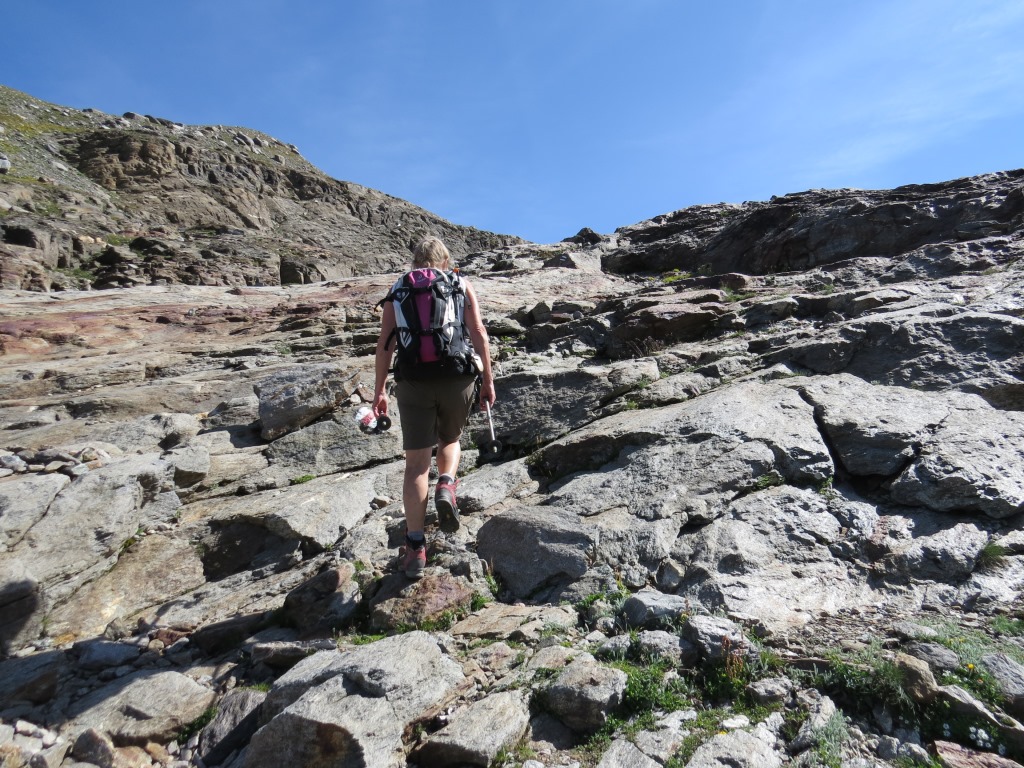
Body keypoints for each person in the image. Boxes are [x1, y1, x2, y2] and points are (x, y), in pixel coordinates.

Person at [372, 236, 496, 578]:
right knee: (450, 439)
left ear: (415, 262)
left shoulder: (399, 288)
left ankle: (415, 548)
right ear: (445, 261)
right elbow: (478, 332)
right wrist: (488, 380)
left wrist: (379, 390)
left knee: (415, 465)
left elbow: (385, 344)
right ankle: (446, 482)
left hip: (413, 380)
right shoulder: (459, 283)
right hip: (457, 375)